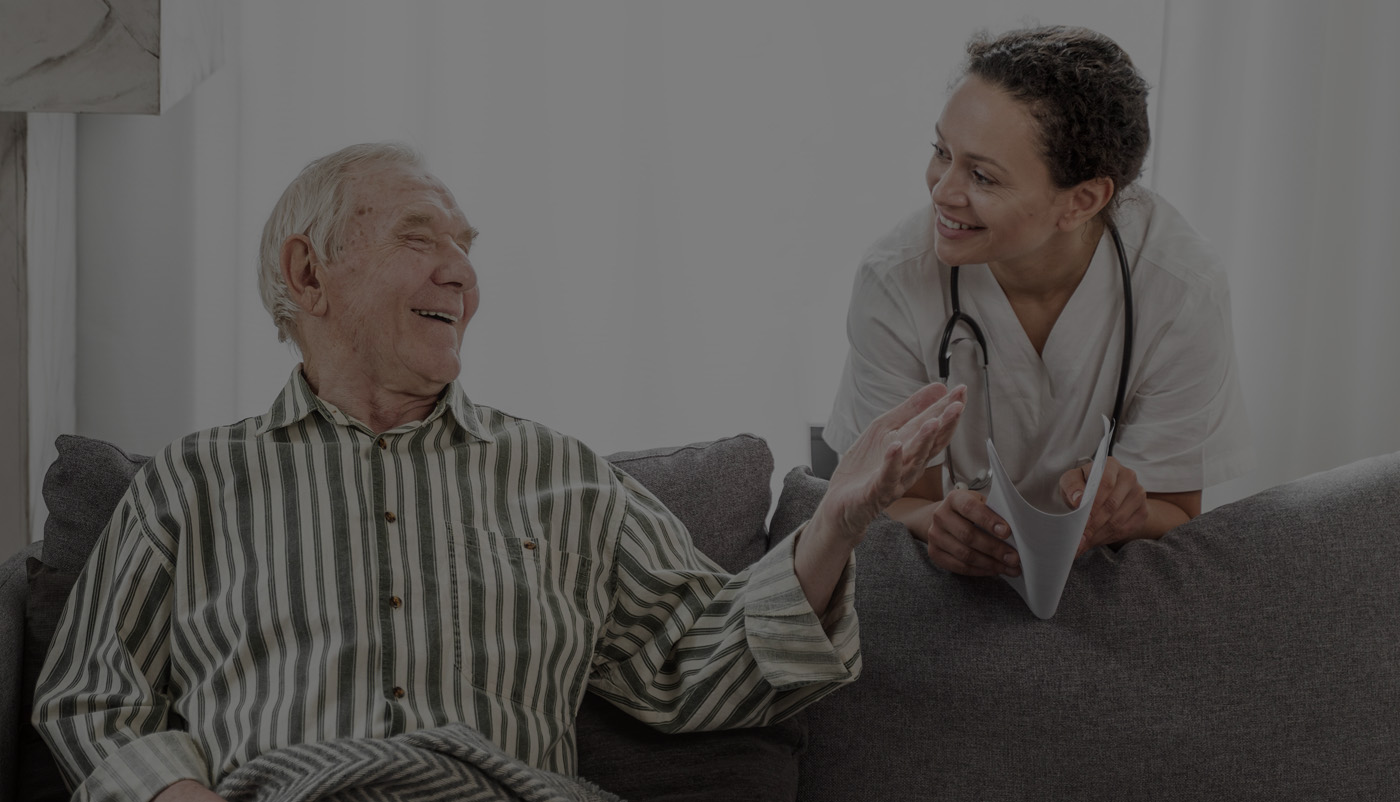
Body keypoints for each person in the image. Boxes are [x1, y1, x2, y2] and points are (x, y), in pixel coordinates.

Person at [34, 143, 965, 801]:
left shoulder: (561, 477)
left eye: (466, 250)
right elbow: (90, 694)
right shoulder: (193, 483)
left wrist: (835, 525)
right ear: (309, 275)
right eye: (420, 239)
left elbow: (698, 664)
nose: (462, 276)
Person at [823, 26, 1252, 579]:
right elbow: (891, 500)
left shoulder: (1182, 289)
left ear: (1083, 200)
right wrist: (937, 523)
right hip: (944, 584)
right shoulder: (895, 278)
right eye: (942, 152)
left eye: (982, 175)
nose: (941, 191)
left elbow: (1177, 513)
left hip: (1104, 580)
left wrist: (1129, 512)